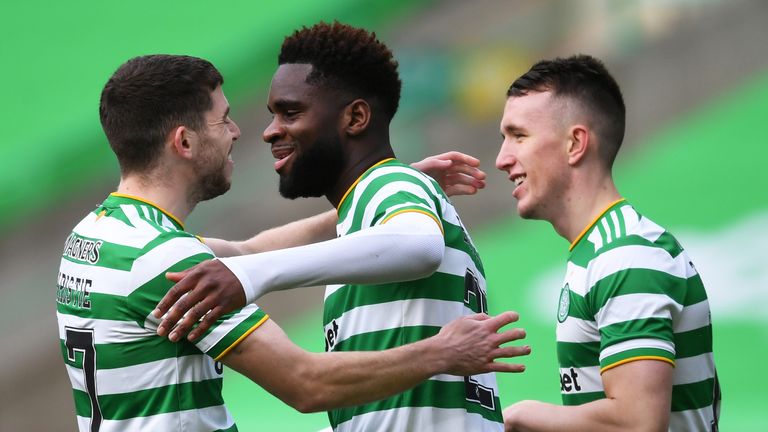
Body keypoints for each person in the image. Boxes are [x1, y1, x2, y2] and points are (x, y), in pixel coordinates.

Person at [56, 54, 530, 432]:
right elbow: (304, 383)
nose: (242, 132)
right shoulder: (165, 257)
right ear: (184, 142)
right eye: (223, 120)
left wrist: (381, 194)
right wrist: (440, 353)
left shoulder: (100, 236)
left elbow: (249, 250)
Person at [494, 55, 720, 431]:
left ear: (575, 144)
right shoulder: (601, 250)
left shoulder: (624, 255)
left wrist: (519, 417)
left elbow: (638, 423)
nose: (502, 158)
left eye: (519, 136)